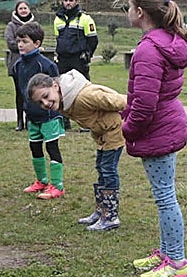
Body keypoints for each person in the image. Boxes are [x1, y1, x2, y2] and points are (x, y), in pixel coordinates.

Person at [116, 0, 187, 277]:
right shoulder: (167, 41)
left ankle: (176, 262)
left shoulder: (150, 49)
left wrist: (127, 128)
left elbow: (145, 104)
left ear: (139, 11)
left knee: (165, 197)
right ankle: (166, 252)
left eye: (127, 6)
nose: (127, 11)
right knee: (165, 194)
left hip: (158, 129)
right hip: (165, 125)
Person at [28, 71, 127, 231]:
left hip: (114, 132)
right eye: (40, 102)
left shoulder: (84, 96)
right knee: (101, 169)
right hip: (102, 135)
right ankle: (101, 211)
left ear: (55, 86)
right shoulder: (64, 102)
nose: (45, 103)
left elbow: (121, 101)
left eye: (46, 96)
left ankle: (110, 217)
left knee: (108, 171)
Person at [12, 22, 62, 199]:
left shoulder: (46, 65)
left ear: (37, 43)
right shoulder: (17, 65)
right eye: (18, 41)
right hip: (32, 117)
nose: (20, 45)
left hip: (49, 116)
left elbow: (57, 89)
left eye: (24, 41)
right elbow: (20, 92)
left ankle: (57, 186)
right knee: (35, 147)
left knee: (52, 148)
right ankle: (41, 181)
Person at [52, 0, 98, 81]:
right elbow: (58, 39)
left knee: (83, 89)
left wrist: (87, 55)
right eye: (65, 0)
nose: (68, 3)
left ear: (76, 2)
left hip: (78, 60)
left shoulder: (85, 19)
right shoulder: (57, 19)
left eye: (71, 0)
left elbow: (93, 40)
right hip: (62, 60)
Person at [5, 0, 36, 130]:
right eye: (21, 8)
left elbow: (38, 40)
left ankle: (30, 119)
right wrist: (25, 45)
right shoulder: (11, 26)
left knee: (31, 93)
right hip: (17, 63)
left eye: (25, 8)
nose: (23, 10)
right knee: (19, 93)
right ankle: (19, 121)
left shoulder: (35, 25)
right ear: (17, 10)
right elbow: (10, 43)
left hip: (33, 63)